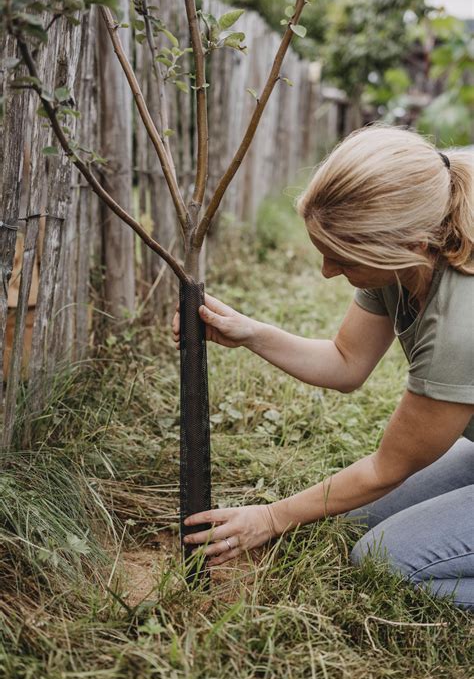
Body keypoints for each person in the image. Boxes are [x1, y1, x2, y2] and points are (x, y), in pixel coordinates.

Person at [172, 125, 474, 609]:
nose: (327, 272)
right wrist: (251, 333)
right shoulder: (411, 241)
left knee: (389, 560)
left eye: (342, 259)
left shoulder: (462, 322)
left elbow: (388, 467)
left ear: (413, 246)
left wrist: (272, 517)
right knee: (357, 518)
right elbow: (346, 361)